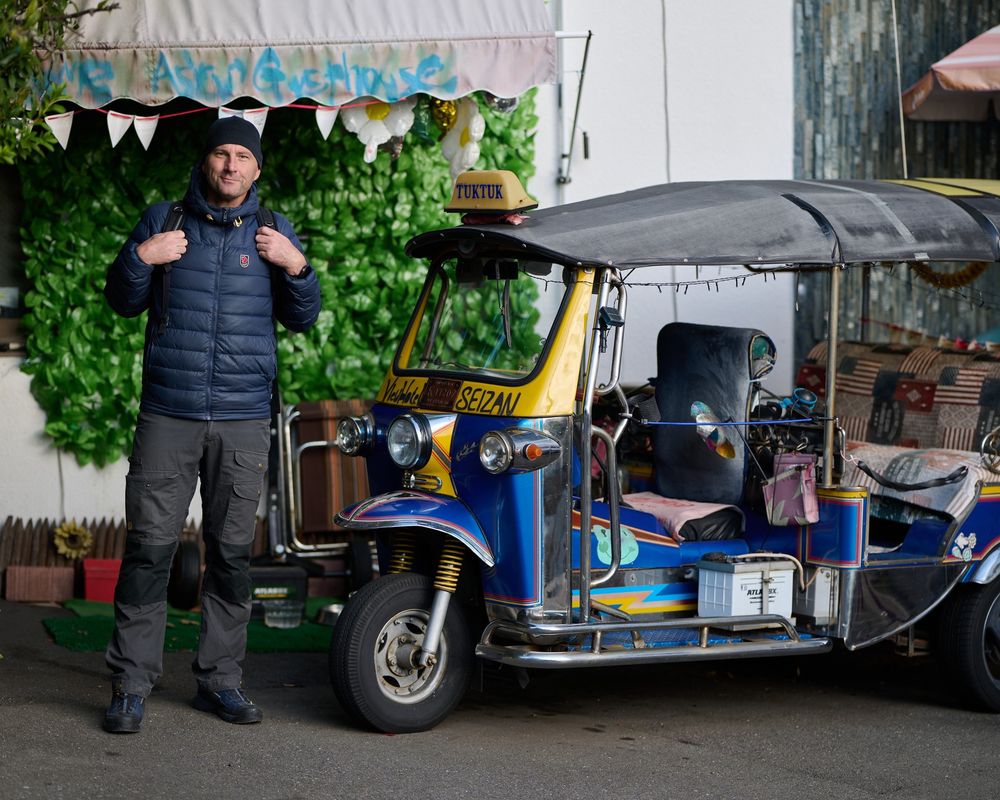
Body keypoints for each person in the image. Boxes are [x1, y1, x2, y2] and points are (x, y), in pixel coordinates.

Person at [101, 115, 321, 733]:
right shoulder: (163, 221)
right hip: (168, 414)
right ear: (207, 162)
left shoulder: (275, 232)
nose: (231, 166)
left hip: (243, 418)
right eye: (221, 154)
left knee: (230, 555)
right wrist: (142, 257)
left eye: (242, 157)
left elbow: (303, 318)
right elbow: (121, 299)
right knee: (148, 551)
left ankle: (220, 682)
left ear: (257, 168)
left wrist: (298, 267)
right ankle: (130, 684)